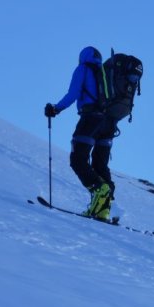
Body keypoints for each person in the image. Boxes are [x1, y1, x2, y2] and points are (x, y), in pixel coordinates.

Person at [44, 46, 115, 220]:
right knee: (100, 165)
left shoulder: (83, 68)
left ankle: (99, 188)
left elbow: (73, 93)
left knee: (78, 160)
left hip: (90, 118)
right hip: (108, 123)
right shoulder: (105, 72)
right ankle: (103, 210)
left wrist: (56, 109)